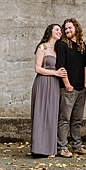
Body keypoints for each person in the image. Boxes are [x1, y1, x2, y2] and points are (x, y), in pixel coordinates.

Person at [30, 23, 66, 158]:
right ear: (50, 32)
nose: (60, 32)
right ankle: (39, 148)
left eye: (60, 30)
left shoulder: (58, 49)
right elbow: (37, 68)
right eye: (57, 30)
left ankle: (50, 149)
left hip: (55, 84)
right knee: (40, 114)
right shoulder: (42, 47)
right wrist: (55, 73)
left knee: (52, 114)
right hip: (43, 82)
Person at [55, 18, 86, 157]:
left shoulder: (82, 45)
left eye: (70, 28)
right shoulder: (62, 45)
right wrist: (67, 85)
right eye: (66, 28)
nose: (68, 30)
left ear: (76, 28)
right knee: (64, 119)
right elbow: (61, 66)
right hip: (68, 88)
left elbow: (85, 66)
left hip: (81, 88)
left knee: (77, 120)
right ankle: (62, 147)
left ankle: (77, 146)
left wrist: (85, 84)